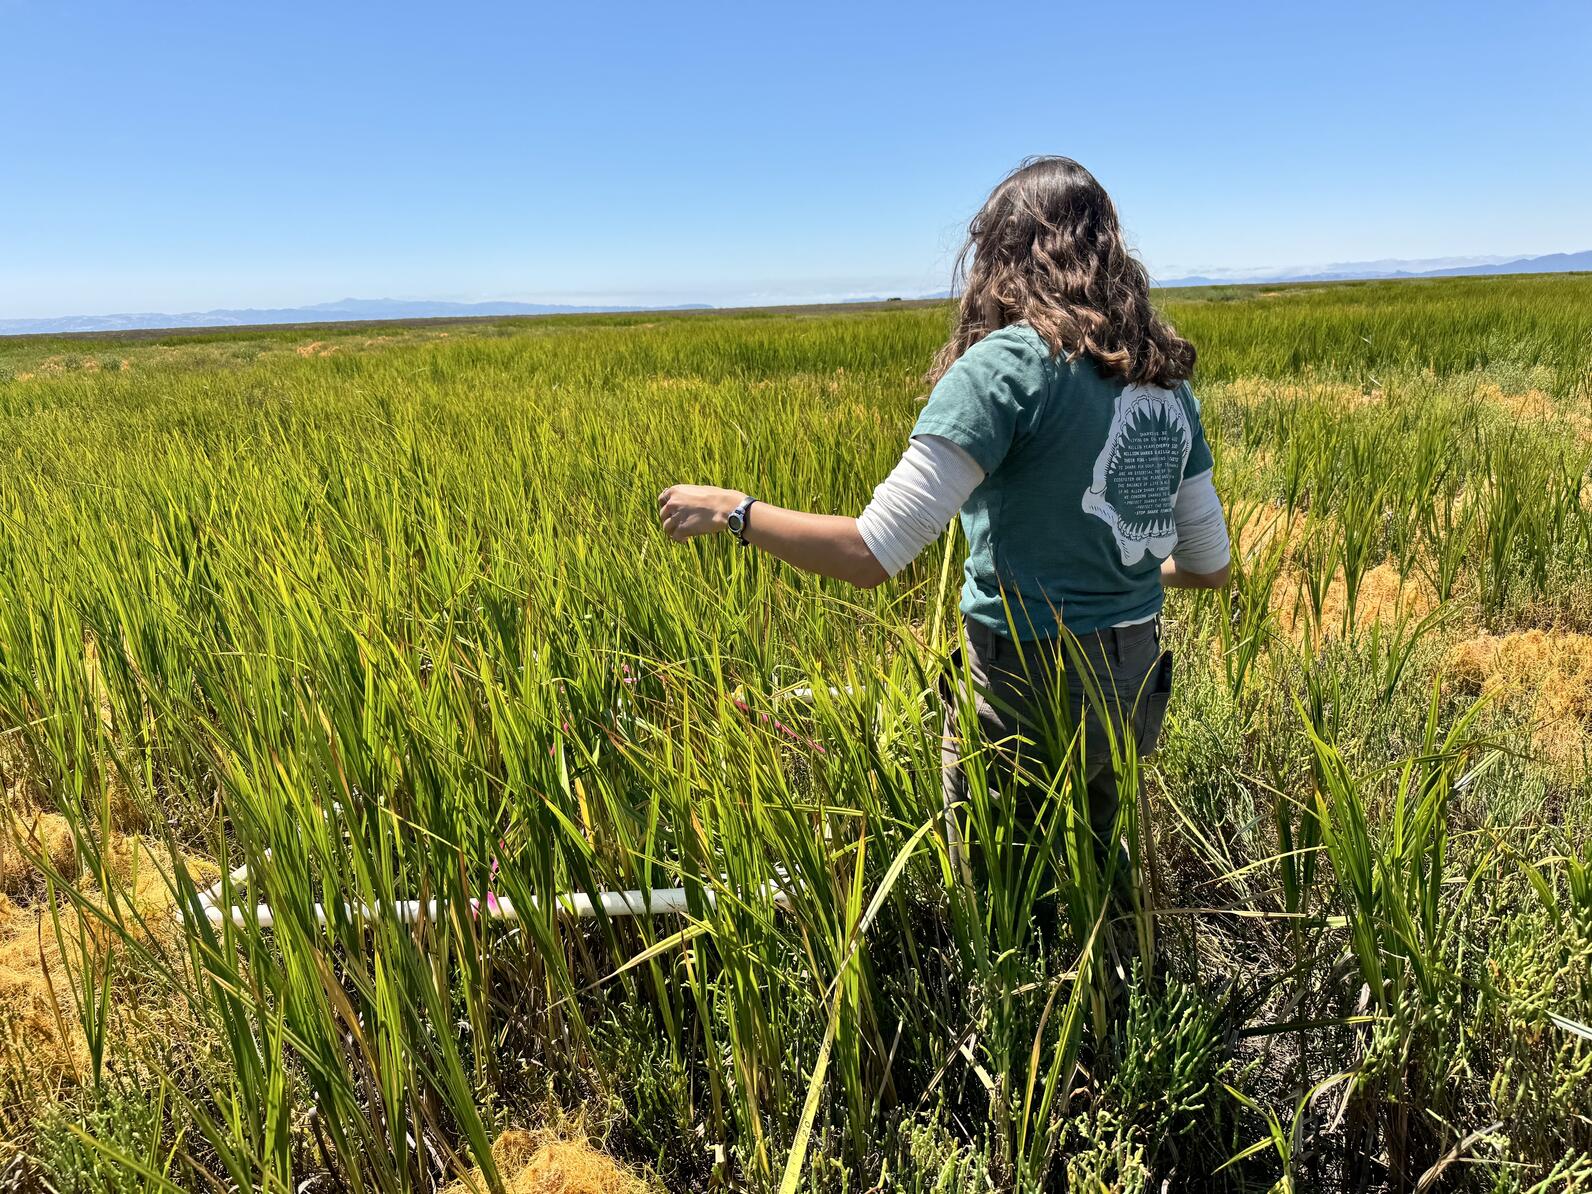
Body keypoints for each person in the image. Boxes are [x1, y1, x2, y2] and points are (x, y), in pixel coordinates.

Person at [657, 155, 1230, 894]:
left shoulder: (1007, 370)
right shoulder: (1162, 381)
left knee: (1000, 888)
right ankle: (1114, 993)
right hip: (1132, 675)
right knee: (1097, 856)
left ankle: (1015, 1004)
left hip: (1026, 678)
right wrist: (1122, 571)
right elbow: (1209, 565)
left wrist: (733, 511)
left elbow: (870, 553)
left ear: (1003, 254)